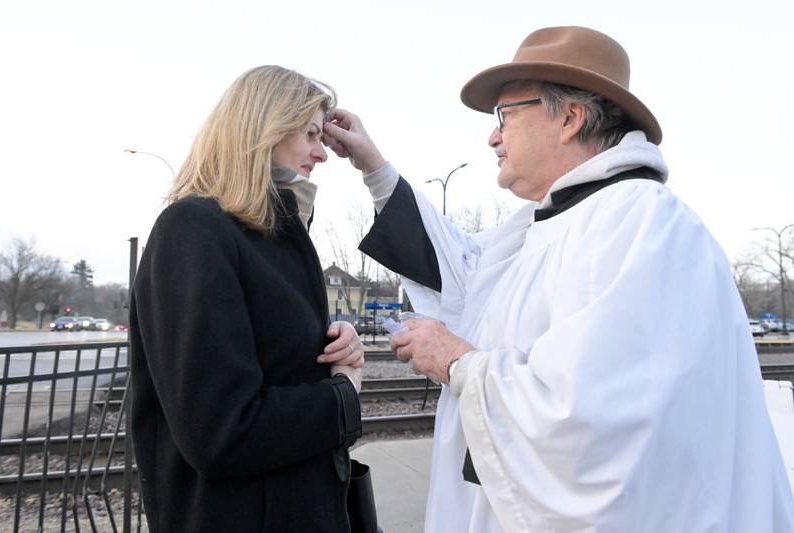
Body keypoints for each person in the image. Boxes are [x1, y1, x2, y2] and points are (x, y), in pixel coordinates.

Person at [324, 26, 794, 532]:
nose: (492, 135)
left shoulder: (641, 228)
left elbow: (593, 420)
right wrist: (373, 166)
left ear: (570, 118)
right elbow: (459, 268)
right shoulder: (548, 224)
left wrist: (458, 361)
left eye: (505, 115)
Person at [130, 65, 365, 532]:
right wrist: (343, 396)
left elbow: (279, 361)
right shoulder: (193, 231)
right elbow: (220, 433)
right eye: (312, 133)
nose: (322, 152)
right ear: (265, 126)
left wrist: (341, 347)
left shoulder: (271, 238)